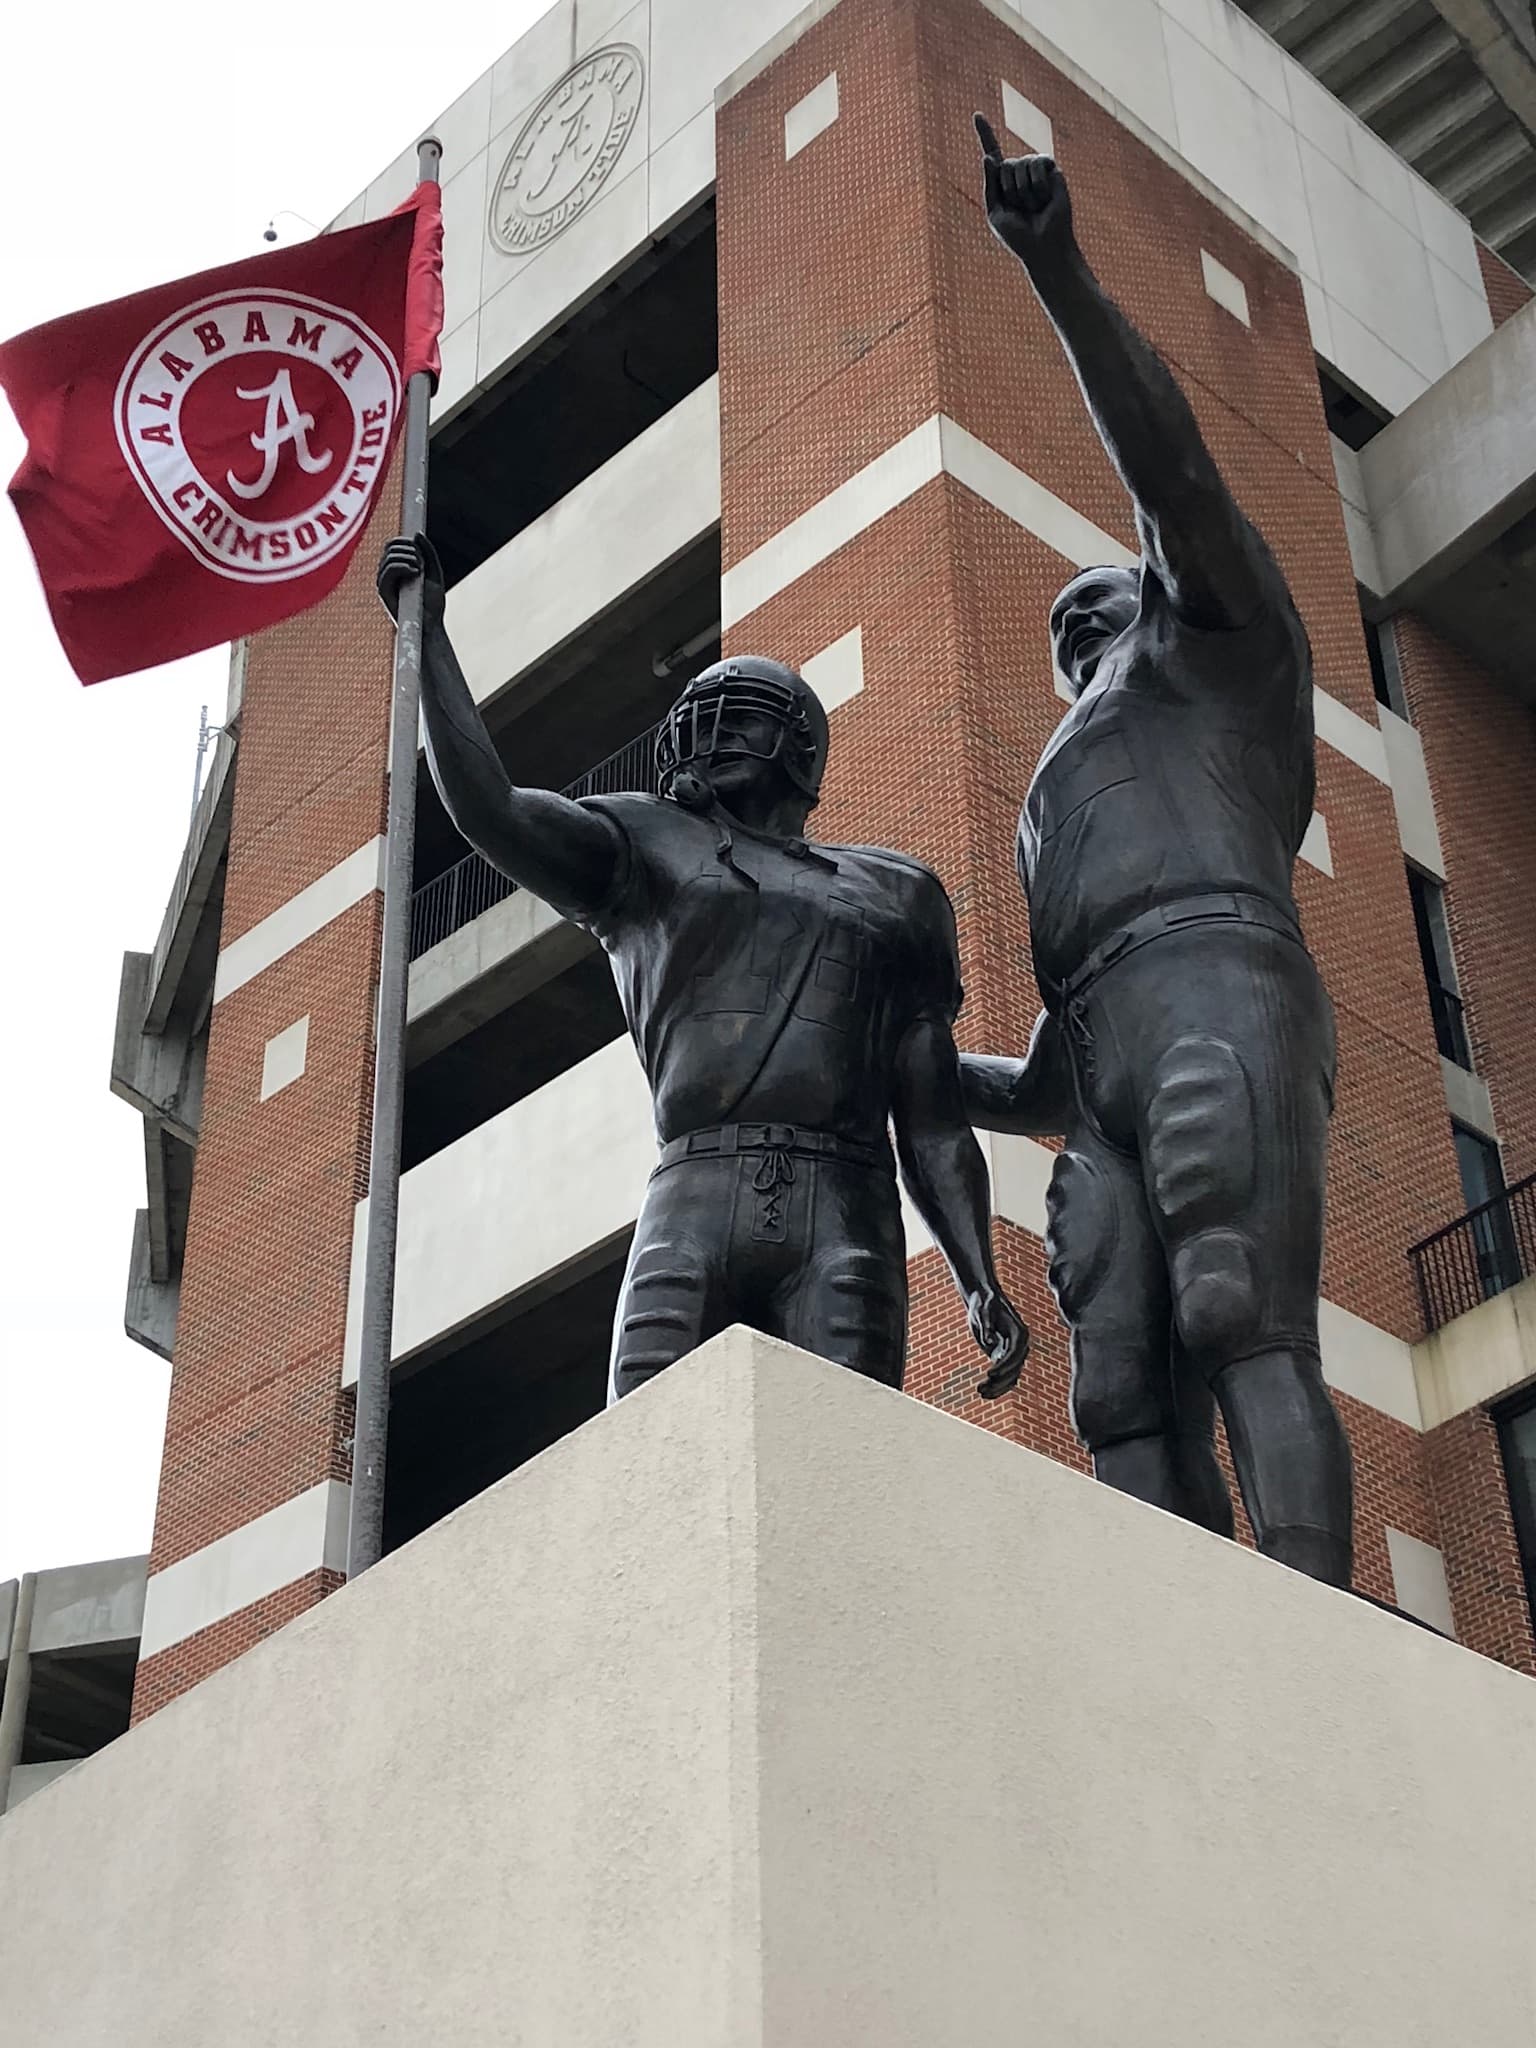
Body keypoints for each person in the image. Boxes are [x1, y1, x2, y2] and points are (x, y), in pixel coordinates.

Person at [961, 117, 1354, 1587]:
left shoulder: (1224, 652)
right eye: (1061, 632)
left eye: (1100, 604)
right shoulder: (1059, 791)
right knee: (1117, 1388)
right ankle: (1177, 1652)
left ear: (1156, 597)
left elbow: (1171, 469)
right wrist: (875, 1057)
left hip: (1218, 983)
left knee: (1236, 1307)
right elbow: (1045, 1073)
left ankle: (1314, 1626)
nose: (1077, 634)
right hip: (1099, 1046)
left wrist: (1054, 266)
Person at [378, 535, 1030, 1404]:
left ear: (798, 747)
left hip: (845, 1194)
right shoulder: (645, 839)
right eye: (699, 714)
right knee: (652, 1450)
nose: (710, 731)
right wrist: (429, 637)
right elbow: (489, 811)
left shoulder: (898, 891)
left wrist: (976, 1270)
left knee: (841, 1462)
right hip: (695, 1183)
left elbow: (932, 1117)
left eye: (743, 712)